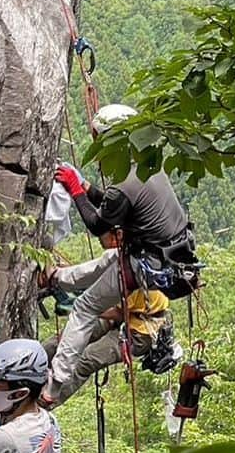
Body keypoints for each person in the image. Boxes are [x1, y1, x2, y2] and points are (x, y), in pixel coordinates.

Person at [42, 104, 195, 406]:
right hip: (167, 258)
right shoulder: (148, 164)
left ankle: (54, 383)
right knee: (109, 261)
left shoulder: (123, 183)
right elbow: (117, 207)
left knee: (85, 309)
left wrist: (75, 191)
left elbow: (99, 222)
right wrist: (86, 188)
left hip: (146, 264)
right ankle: (59, 279)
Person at [40, 286, 171, 407]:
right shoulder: (120, 268)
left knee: (87, 360)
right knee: (68, 338)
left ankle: (45, 404)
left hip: (138, 335)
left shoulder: (138, 281)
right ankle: (29, 360)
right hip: (124, 317)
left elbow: (118, 312)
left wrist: (81, 307)